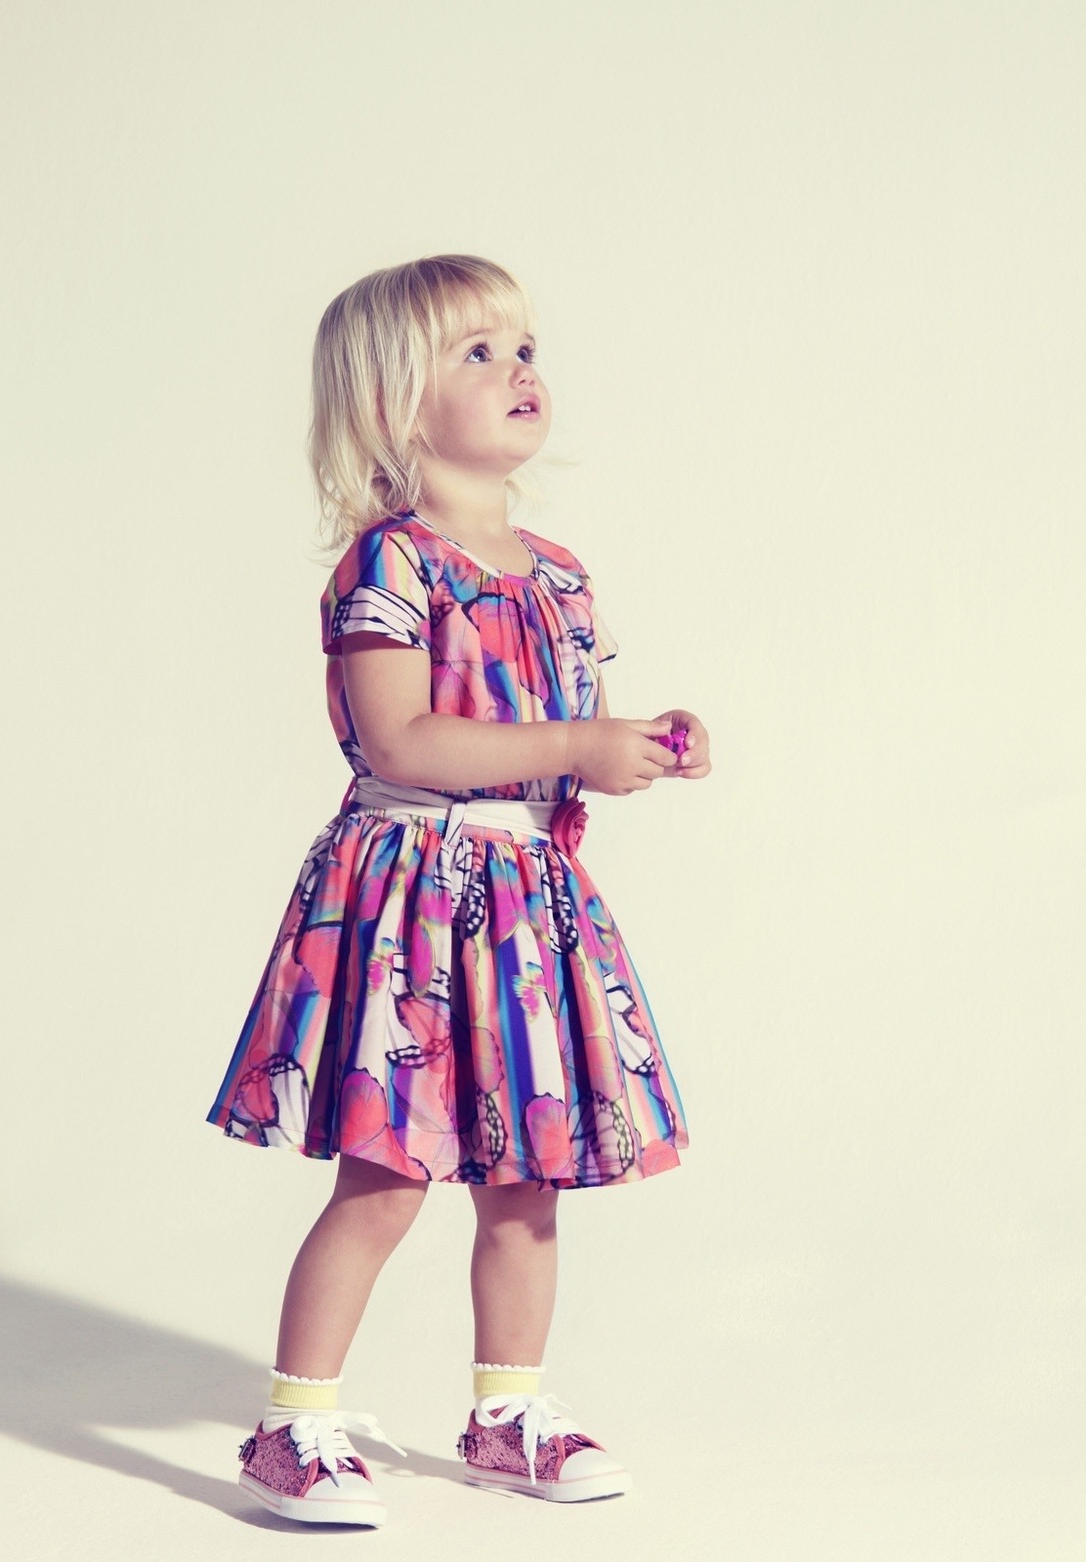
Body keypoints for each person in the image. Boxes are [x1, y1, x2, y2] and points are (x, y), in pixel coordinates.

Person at [206, 254, 711, 1526]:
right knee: (386, 1172)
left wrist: (640, 743)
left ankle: (508, 1413)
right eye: (476, 353)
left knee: (527, 1175)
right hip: (412, 903)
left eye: (523, 346)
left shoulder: (560, 573)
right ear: (394, 403)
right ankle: (294, 1426)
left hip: (526, 903)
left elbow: (560, 733)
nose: (520, 370)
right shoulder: (391, 564)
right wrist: (575, 741)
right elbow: (404, 740)